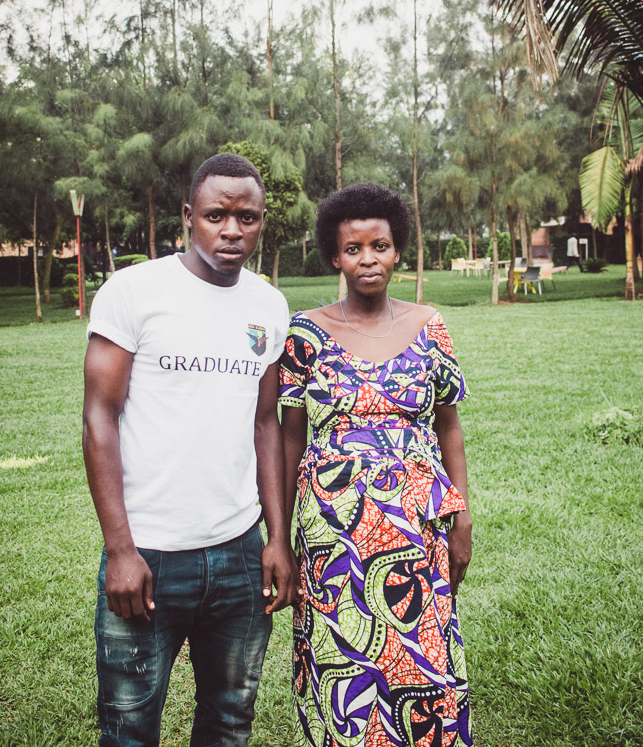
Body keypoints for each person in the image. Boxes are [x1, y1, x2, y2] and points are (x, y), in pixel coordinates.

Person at [82, 153, 297, 747]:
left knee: (230, 722)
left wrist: (276, 540)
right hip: (148, 556)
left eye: (247, 218)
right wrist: (120, 549)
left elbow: (265, 424)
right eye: (216, 216)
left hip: (238, 555)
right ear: (188, 217)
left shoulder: (268, 306)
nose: (232, 231)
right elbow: (99, 416)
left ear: (260, 222)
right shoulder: (134, 291)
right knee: (128, 727)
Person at [280, 183, 473, 747]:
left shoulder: (429, 325)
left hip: (419, 524)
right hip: (333, 532)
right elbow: (290, 441)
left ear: (398, 250)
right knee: (346, 666)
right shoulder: (305, 333)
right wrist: (283, 536)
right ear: (334, 257)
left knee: (427, 660)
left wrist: (460, 518)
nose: (369, 259)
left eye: (380, 246)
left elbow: (449, 427)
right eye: (354, 249)